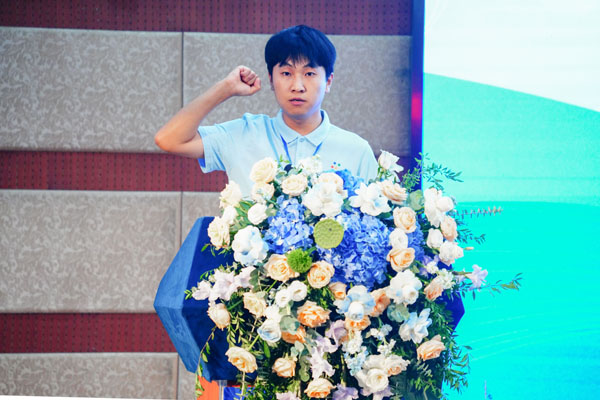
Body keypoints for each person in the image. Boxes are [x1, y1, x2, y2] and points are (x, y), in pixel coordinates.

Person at [154, 24, 378, 195]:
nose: (297, 86)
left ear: (328, 81)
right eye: (286, 73)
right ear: (271, 79)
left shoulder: (356, 150)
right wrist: (225, 88)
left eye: (309, 74)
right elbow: (169, 140)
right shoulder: (243, 134)